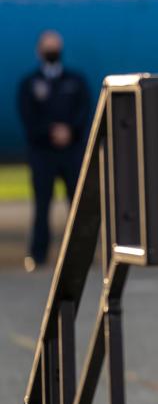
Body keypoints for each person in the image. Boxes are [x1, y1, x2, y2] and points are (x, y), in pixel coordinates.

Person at [16, 30, 91, 272]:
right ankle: (38, 255)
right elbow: (28, 117)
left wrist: (70, 131)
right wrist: (50, 132)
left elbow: (84, 111)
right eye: (48, 47)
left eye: (55, 47)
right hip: (43, 155)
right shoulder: (30, 84)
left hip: (71, 154)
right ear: (39, 51)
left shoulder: (75, 81)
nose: (52, 52)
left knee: (77, 206)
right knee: (42, 206)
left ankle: (80, 256)